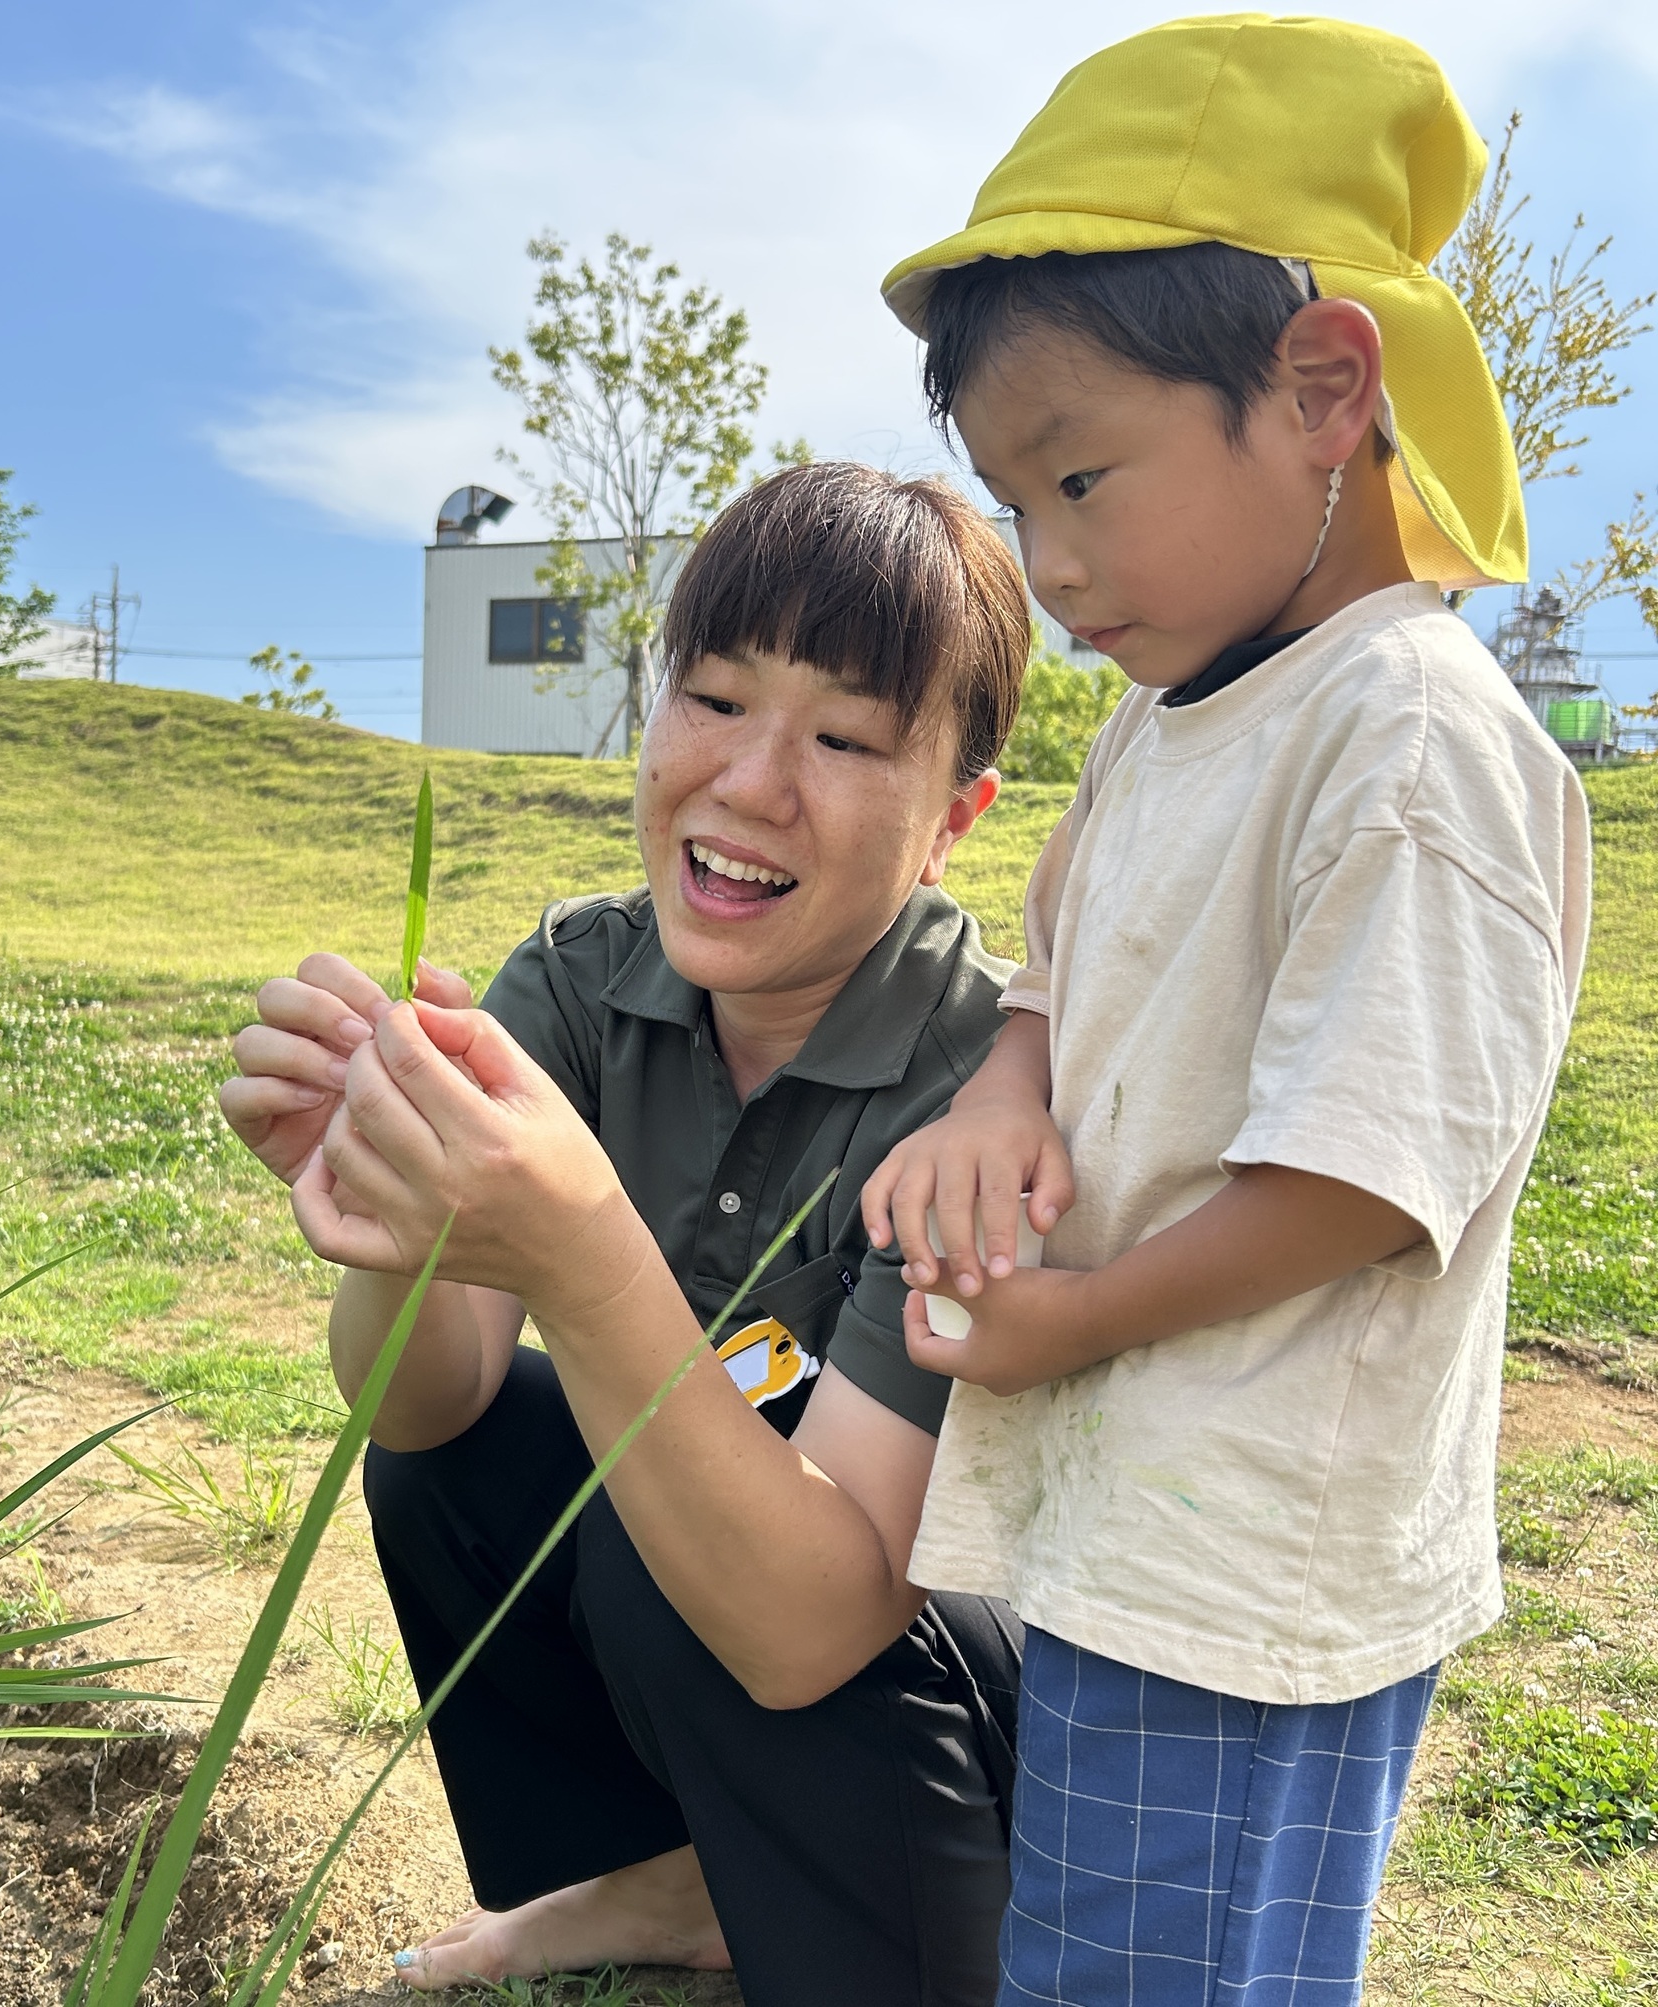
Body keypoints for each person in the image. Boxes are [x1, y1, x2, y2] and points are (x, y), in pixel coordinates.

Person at [859, 17, 1592, 2003]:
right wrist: (1003, 1091)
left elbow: (1367, 1168)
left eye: (1082, 474)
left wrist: (1071, 1316)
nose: (1053, 563)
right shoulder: (1169, 727)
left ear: (1323, 389)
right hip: (1142, 1515)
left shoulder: (1408, 737)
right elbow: (1055, 979)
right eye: (1016, 499)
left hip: (1255, 1549)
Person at [220, 462, 1036, 2006]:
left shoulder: (985, 1083)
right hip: (752, 1595)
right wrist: (386, 1193)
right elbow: (424, 1407)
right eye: (716, 699)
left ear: (953, 820)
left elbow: (817, 1619)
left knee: (691, 1482)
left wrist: (581, 1253)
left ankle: (878, 1923)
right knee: (479, 1465)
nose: (748, 782)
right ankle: (668, 1885)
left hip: (966, 1677)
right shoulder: (587, 978)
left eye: (848, 737)